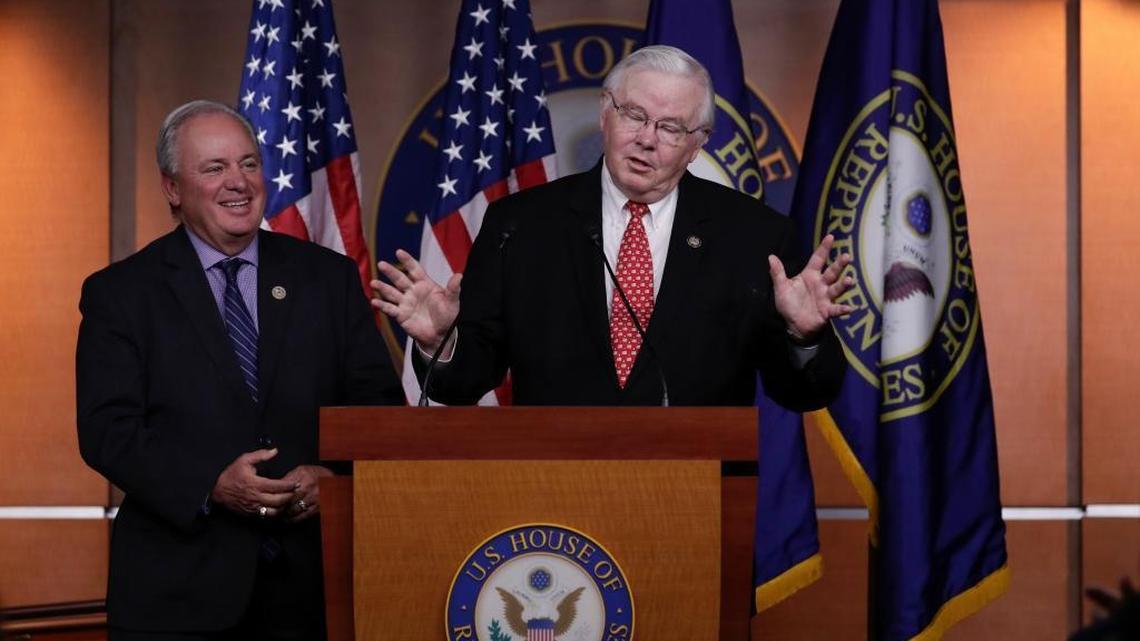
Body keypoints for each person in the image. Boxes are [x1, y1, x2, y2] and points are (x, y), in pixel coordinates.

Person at [76, 100, 404, 640]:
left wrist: (335, 478)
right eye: (215, 167)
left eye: (249, 163)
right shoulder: (121, 294)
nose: (239, 182)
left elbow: (378, 412)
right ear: (172, 188)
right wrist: (211, 483)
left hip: (313, 593)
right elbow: (108, 432)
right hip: (177, 598)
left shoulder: (329, 279)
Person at [373, 45, 853, 407]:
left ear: (698, 143)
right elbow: (465, 382)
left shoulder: (755, 237)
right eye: (634, 115)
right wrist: (442, 342)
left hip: (697, 495)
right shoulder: (520, 226)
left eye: (670, 128)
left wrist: (804, 337)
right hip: (551, 500)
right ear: (606, 113)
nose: (646, 139)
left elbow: (801, 394)